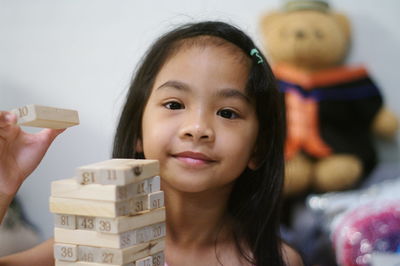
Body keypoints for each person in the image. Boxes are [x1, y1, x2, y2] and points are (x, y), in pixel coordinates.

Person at [0, 21, 303, 265]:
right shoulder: (91, 240)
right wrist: (4, 186)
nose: (197, 129)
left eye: (227, 112)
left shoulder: (278, 260)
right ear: (138, 134)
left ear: (258, 148)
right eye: (174, 104)